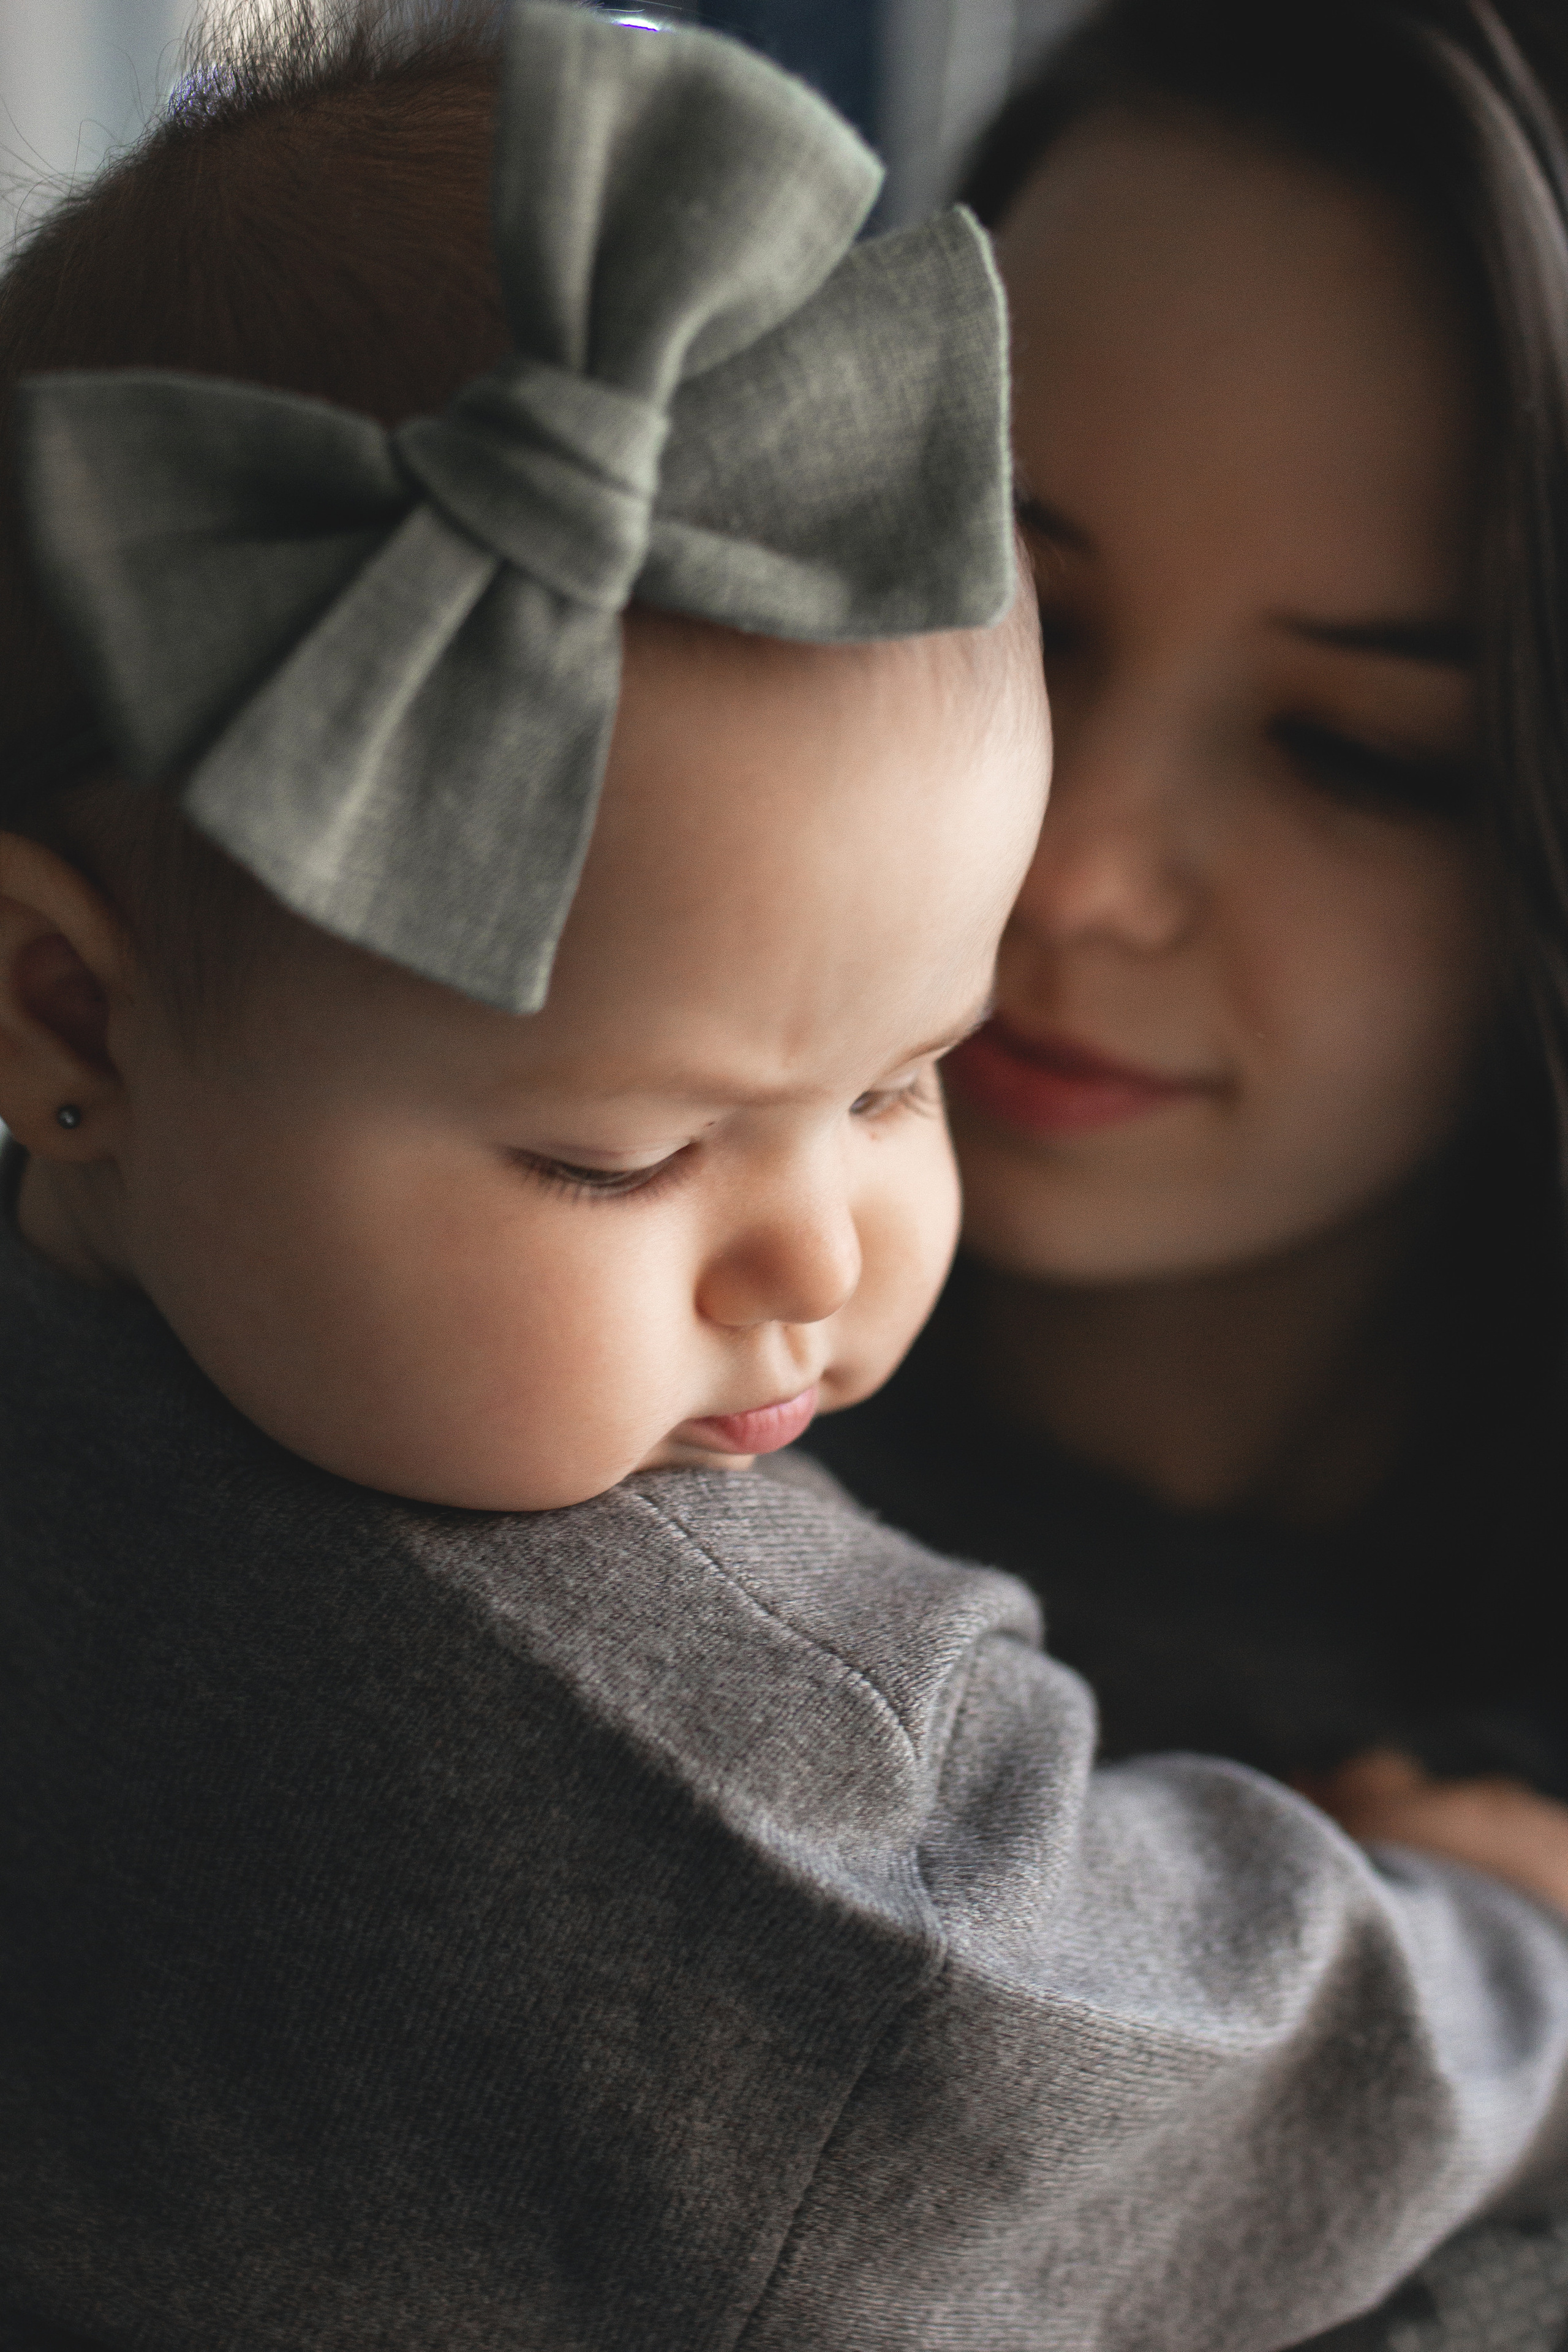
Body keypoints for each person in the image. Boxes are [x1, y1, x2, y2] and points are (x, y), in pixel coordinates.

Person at [5, 6, 1568, 2350]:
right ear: (66, 1025)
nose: (1083, 881)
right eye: (611, 1152)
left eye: (1358, 745)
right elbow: (1046, 2051)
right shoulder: (766, 1731)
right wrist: (1503, 1970)